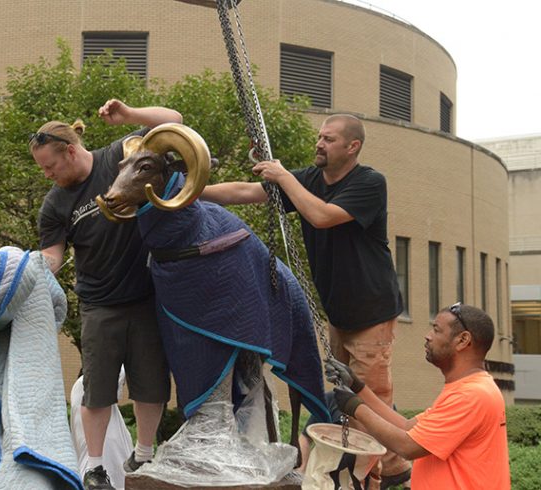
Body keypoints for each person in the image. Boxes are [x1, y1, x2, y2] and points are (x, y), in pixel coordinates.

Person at [200, 114, 409, 486]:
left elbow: (322, 216)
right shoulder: (310, 179)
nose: (319, 143)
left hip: (372, 313)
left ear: (352, 147)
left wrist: (283, 177)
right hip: (339, 314)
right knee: (348, 400)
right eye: (319, 137)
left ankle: (376, 478)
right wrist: (195, 190)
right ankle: (395, 469)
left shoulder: (369, 183)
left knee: (367, 404)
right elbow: (248, 191)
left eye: (328, 139)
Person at [33, 99, 182, 490]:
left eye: (50, 166)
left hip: (146, 294)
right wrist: (27, 268)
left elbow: (175, 123)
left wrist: (130, 114)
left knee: (151, 383)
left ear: (70, 150)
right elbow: (53, 257)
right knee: (96, 388)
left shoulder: (119, 155)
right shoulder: (54, 205)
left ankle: (145, 453)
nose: (47, 174)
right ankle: (95, 467)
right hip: (99, 303)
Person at [330, 303, 510, 490]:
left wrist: (354, 407)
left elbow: (407, 447)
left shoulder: (472, 395)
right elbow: (407, 427)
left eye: (436, 330)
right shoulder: (470, 388)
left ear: (463, 340)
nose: (428, 336)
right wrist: (357, 387)